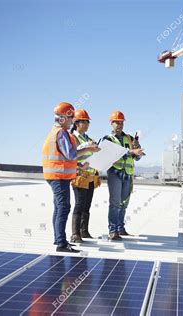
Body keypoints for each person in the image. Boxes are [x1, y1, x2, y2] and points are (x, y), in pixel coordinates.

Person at [42, 102, 99, 253]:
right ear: (63, 118)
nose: (72, 121)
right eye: (70, 118)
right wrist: (89, 149)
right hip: (58, 176)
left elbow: (65, 157)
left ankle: (58, 238)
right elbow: (71, 154)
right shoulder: (61, 133)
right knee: (63, 207)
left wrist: (78, 165)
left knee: (58, 207)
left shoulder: (55, 132)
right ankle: (61, 243)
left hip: (56, 175)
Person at [103, 111, 144, 241]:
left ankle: (120, 228)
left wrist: (138, 151)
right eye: (117, 122)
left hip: (127, 174)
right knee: (115, 203)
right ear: (111, 123)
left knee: (124, 203)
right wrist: (131, 151)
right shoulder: (107, 139)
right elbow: (112, 154)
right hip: (115, 173)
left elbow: (136, 158)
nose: (120, 125)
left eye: (121, 122)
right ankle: (112, 231)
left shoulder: (129, 138)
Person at [69, 109, 101, 243]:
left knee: (87, 205)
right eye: (84, 121)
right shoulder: (72, 138)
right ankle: (75, 234)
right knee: (79, 204)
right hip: (79, 175)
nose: (87, 124)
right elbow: (72, 155)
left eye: (88, 122)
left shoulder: (89, 139)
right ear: (76, 123)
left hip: (91, 176)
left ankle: (84, 231)